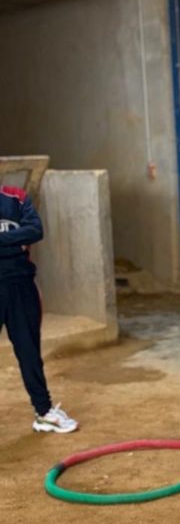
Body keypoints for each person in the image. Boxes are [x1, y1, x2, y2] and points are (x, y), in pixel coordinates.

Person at [0, 186, 78, 434]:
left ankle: (43, 412)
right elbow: (25, 234)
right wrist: (16, 242)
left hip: (21, 286)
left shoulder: (16, 196)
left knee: (29, 351)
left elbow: (35, 230)